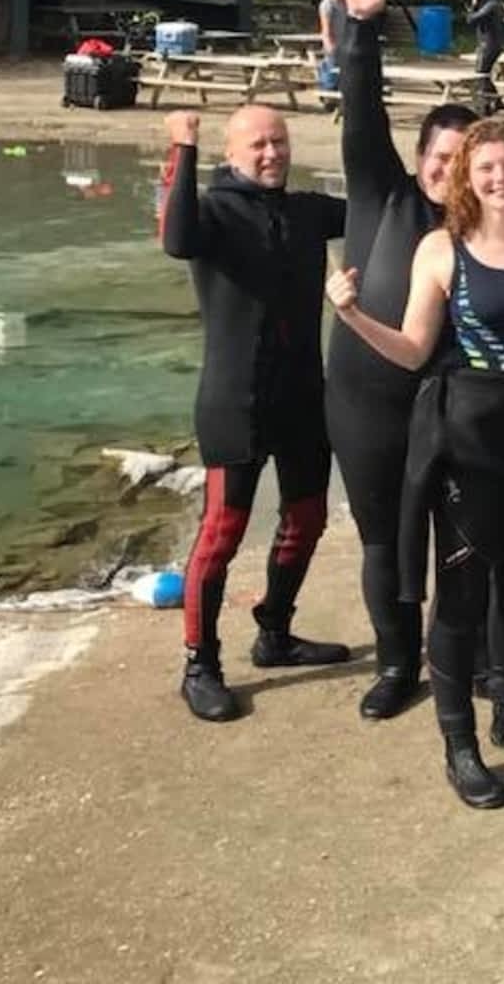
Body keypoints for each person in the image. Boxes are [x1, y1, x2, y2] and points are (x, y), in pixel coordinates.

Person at [326, 120, 504, 809]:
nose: (499, 177)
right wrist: (352, 314)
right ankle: (460, 745)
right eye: (485, 168)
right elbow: (416, 349)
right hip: (466, 435)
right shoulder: (440, 249)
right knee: (462, 595)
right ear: (465, 179)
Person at [160, 105, 350, 722]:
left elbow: (378, 209)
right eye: (258, 145)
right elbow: (176, 239)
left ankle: (275, 633)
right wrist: (182, 149)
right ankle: (200, 664)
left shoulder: (306, 211)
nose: (272, 153)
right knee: (221, 536)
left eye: (280, 141)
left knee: (307, 518)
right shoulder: (211, 211)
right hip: (233, 402)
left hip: (300, 399)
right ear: (231, 152)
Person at [325, 0, 477, 719]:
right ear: (420, 158)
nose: (450, 171)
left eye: (465, 158)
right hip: (363, 403)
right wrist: (359, 28)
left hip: (447, 405)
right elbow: (361, 114)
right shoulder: (381, 194)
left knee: (457, 541)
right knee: (384, 540)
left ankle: (463, 658)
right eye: (440, 157)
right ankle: (395, 663)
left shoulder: (487, 226)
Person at [467, 0, 504, 117]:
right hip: (492, 44)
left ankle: (484, 104)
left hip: (489, 45)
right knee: (484, 73)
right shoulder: (495, 4)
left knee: (480, 74)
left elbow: (472, 20)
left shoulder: (490, 6)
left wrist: (473, 5)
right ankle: (496, 100)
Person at [317, 0, 345, 93]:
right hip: (333, 44)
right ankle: (327, 95)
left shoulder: (347, 3)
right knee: (331, 71)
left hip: (345, 44)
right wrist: (329, 44)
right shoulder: (328, 4)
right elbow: (325, 27)